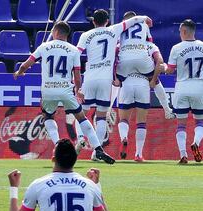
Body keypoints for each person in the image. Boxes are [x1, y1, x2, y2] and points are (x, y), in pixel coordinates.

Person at [13, 21, 115, 164]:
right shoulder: (73, 50)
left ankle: (57, 146)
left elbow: (26, 64)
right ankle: (98, 149)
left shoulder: (44, 46)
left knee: (48, 116)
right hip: (66, 90)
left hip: (48, 90)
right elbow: (77, 74)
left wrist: (20, 72)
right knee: (81, 118)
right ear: (67, 34)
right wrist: (78, 91)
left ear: (55, 32)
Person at [76, 10, 152, 159]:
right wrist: (145, 18)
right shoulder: (114, 29)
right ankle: (96, 152)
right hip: (105, 80)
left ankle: (80, 138)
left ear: (93, 22)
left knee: (81, 114)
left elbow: (76, 54)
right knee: (101, 117)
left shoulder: (85, 35)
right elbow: (132, 20)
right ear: (107, 21)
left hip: (89, 77)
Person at [116, 11, 175, 120]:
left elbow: (116, 47)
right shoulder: (144, 26)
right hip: (141, 59)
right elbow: (150, 43)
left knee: (115, 81)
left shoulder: (120, 28)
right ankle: (167, 110)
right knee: (155, 80)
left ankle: (108, 110)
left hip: (125, 62)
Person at [117, 42, 165, 162]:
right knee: (141, 122)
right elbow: (160, 62)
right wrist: (153, 79)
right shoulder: (151, 46)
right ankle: (138, 154)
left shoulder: (121, 44)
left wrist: (115, 78)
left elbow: (113, 61)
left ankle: (124, 137)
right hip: (143, 82)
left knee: (123, 119)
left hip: (127, 81)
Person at [164, 19, 203, 164]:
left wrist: (162, 68)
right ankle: (196, 143)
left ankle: (183, 155)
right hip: (200, 87)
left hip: (182, 87)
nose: (179, 34)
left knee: (181, 124)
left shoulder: (177, 48)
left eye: (180, 31)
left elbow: (170, 70)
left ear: (185, 31)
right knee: (200, 121)